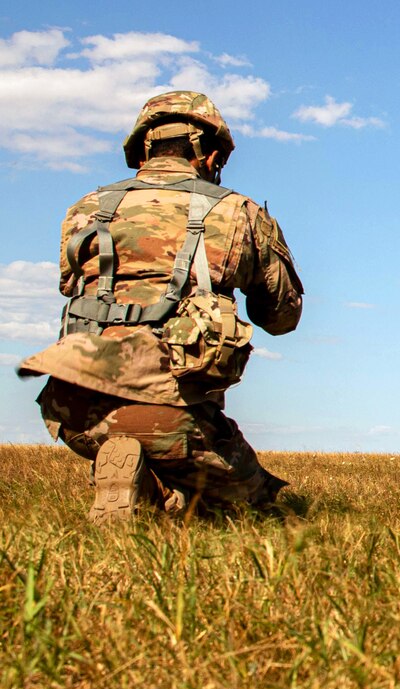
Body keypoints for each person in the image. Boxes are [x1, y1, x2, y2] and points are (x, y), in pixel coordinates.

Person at [17, 91, 304, 523]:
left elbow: (71, 287)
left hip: (71, 414)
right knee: (253, 507)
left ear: (142, 151)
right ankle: (164, 475)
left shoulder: (87, 208)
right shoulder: (238, 213)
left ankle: (139, 478)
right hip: (171, 418)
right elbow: (281, 318)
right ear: (210, 157)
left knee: (174, 491)